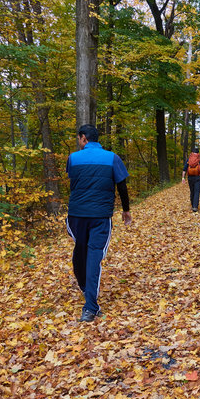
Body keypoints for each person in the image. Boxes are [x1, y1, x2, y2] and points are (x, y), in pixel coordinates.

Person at [66, 124, 132, 322]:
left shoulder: (73, 158)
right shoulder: (112, 158)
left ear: (84, 138)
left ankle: (90, 299)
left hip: (76, 216)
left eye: (79, 138)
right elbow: (122, 186)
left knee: (80, 254)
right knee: (94, 256)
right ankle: (90, 304)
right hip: (100, 217)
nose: (79, 141)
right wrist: (126, 210)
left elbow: (74, 184)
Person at [181, 148, 200, 212]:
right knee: (197, 192)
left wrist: (183, 177)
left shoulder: (189, 159)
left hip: (190, 177)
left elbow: (184, 169)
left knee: (192, 191)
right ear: (198, 153)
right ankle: (195, 206)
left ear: (192, 152)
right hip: (198, 177)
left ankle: (192, 205)